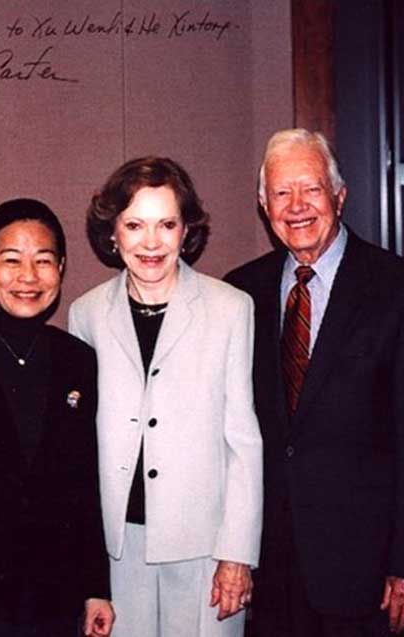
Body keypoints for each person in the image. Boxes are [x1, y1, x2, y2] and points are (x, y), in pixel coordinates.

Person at [225, 129, 404, 636]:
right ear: (263, 205)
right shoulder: (241, 294)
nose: (297, 206)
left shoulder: (401, 290)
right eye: (282, 193)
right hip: (273, 571)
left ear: (340, 196)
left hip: (367, 573)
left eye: (312, 189)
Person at [68, 156, 263, 637]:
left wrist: (237, 554)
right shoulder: (86, 314)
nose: (150, 242)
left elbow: (243, 441)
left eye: (166, 224)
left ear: (185, 231)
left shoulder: (230, 309)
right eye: (134, 225)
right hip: (118, 548)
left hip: (205, 548)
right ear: (112, 233)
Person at [0, 199, 114, 637]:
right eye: (11, 260)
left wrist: (95, 588)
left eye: (43, 261)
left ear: (61, 268)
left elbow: (86, 485)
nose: (28, 277)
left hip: (57, 599)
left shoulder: (77, 360)